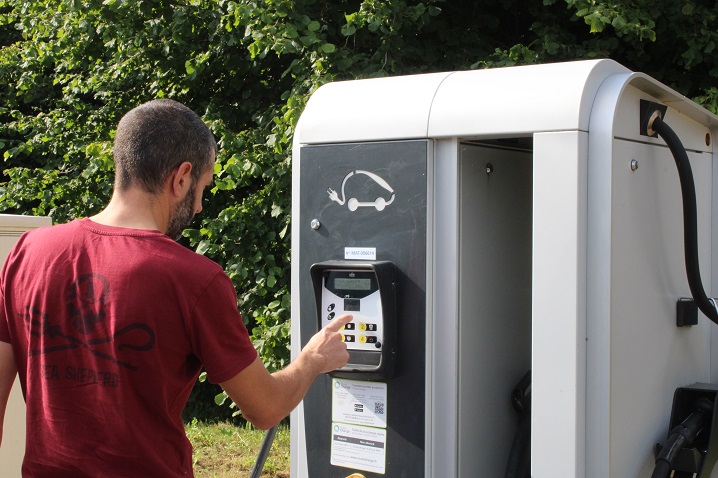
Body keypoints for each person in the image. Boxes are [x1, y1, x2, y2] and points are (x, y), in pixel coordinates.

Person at [0, 99, 351, 477]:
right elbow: (263, 408)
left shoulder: (28, 252)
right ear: (181, 177)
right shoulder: (194, 279)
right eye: (203, 186)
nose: (199, 205)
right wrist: (314, 358)